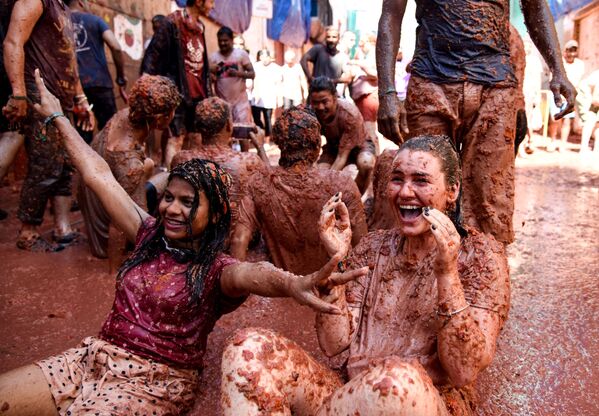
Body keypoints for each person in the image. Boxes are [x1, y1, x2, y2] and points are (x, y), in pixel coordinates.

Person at [0, 68, 368, 416]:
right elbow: (98, 174)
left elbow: (254, 274)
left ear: (215, 214)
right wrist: (58, 117)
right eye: (169, 198)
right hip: (92, 356)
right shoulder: (147, 233)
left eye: (188, 202)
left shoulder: (215, 270)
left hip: (153, 382)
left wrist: (294, 283)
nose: (171, 210)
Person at [221, 135, 510, 416]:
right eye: (397, 179)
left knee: (397, 383)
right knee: (248, 348)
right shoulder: (374, 247)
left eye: (420, 180)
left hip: (425, 399)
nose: (405, 192)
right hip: (351, 394)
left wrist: (447, 273)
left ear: (452, 190)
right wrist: (337, 259)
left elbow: (464, 370)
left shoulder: (483, 257)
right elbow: (334, 344)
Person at [376, 0, 577, 246]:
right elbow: (391, 13)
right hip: (431, 82)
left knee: (489, 202)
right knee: (425, 191)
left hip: (495, 88)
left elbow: (535, 7)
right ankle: (423, 276)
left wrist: (558, 70)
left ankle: (483, 275)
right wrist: (386, 93)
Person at [231, 107, 368, 275]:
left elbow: (239, 240)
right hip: (329, 288)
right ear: (318, 145)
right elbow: (363, 247)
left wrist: (233, 291)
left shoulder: (257, 183)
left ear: (278, 143)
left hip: (284, 290)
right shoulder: (341, 183)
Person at [3, 0, 94, 251]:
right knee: (45, 163)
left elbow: (70, 60)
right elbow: (13, 42)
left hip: (61, 97)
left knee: (65, 163)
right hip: (39, 93)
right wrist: (19, 93)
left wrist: (81, 99)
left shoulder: (62, 8)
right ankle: (28, 231)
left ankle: (63, 227)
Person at [78, 75, 180, 266]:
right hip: (105, 241)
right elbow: (120, 224)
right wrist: (115, 270)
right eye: (172, 111)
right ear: (159, 118)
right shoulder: (129, 163)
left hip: (96, 207)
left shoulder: (125, 114)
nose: (174, 114)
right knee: (168, 178)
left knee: (149, 165)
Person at [169, 96, 268, 237]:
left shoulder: (181, 159)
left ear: (197, 126)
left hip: (195, 238)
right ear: (229, 125)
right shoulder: (249, 161)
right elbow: (272, 184)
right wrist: (260, 147)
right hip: (237, 240)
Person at [141, 0, 214, 168]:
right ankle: (172, 181)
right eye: (211, 1)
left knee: (196, 138)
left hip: (198, 95)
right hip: (179, 93)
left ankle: (192, 182)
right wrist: (146, 84)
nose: (213, 6)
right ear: (198, 1)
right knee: (176, 138)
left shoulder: (200, 26)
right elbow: (153, 54)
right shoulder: (172, 23)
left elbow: (203, 65)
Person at [67, 0, 127, 144]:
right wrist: (120, 77)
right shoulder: (95, 20)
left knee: (83, 131)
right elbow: (116, 46)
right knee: (110, 130)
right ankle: (108, 165)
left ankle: (87, 164)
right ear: (81, 2)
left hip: (75, 88)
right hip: (100, 82)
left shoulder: (60, 20)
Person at [309, 76, 376, 194]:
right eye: (315, 103)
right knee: (319, 174)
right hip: (333, 148)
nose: (320, 107)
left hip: (359, 147)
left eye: (325, 102)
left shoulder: (349, 115)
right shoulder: (311, 113)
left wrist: (325, 187)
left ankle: (356, 198)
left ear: (335, 98)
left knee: (366, 163)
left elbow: (341, 158)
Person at [210, 26, 255, 127]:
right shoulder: (213, 57)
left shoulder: (241, 54)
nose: (222, 43)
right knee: (225, 136)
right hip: (223, 104)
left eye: (225, 40)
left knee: (243, 135)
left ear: (231, 40)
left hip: (241, 104)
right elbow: (208, 80)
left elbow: (252, 74)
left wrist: (238, 74)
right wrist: (212, 75)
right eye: (220, 41)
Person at [547, 40, 586, 152]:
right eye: (569, 50)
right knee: (555, 119)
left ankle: (563, 144)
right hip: (557, 94)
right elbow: (552, 79)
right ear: (565, 51)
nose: (571, 53)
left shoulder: (580, 64)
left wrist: (570, 94)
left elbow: (577, 81)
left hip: (570, 96)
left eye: (574, 51)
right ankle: (553, 140)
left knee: (567, 121)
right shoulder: (559, 63)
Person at [349, 32, 379, 142]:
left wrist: (360, 64)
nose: (360, 45)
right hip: (363, 97)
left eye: (362, 42)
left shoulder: (374, 55)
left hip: (368, 96)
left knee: (369, 129)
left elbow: (376, 74)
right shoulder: (366, 55)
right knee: (365, 129)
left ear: (369, 42)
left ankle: (374, 156)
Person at [251, 49, 281, 140]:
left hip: (269, 97)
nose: (264, 59)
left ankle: (267, 140)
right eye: (262, 57)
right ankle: (261, 132)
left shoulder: (276, 68)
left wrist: (278, 98)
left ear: (269, 57)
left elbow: (278, 84)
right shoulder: (255, 66)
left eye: (266, 57)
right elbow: (253, 81)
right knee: (256, 118)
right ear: (260, 57)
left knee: (268, 119)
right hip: (257, 96)